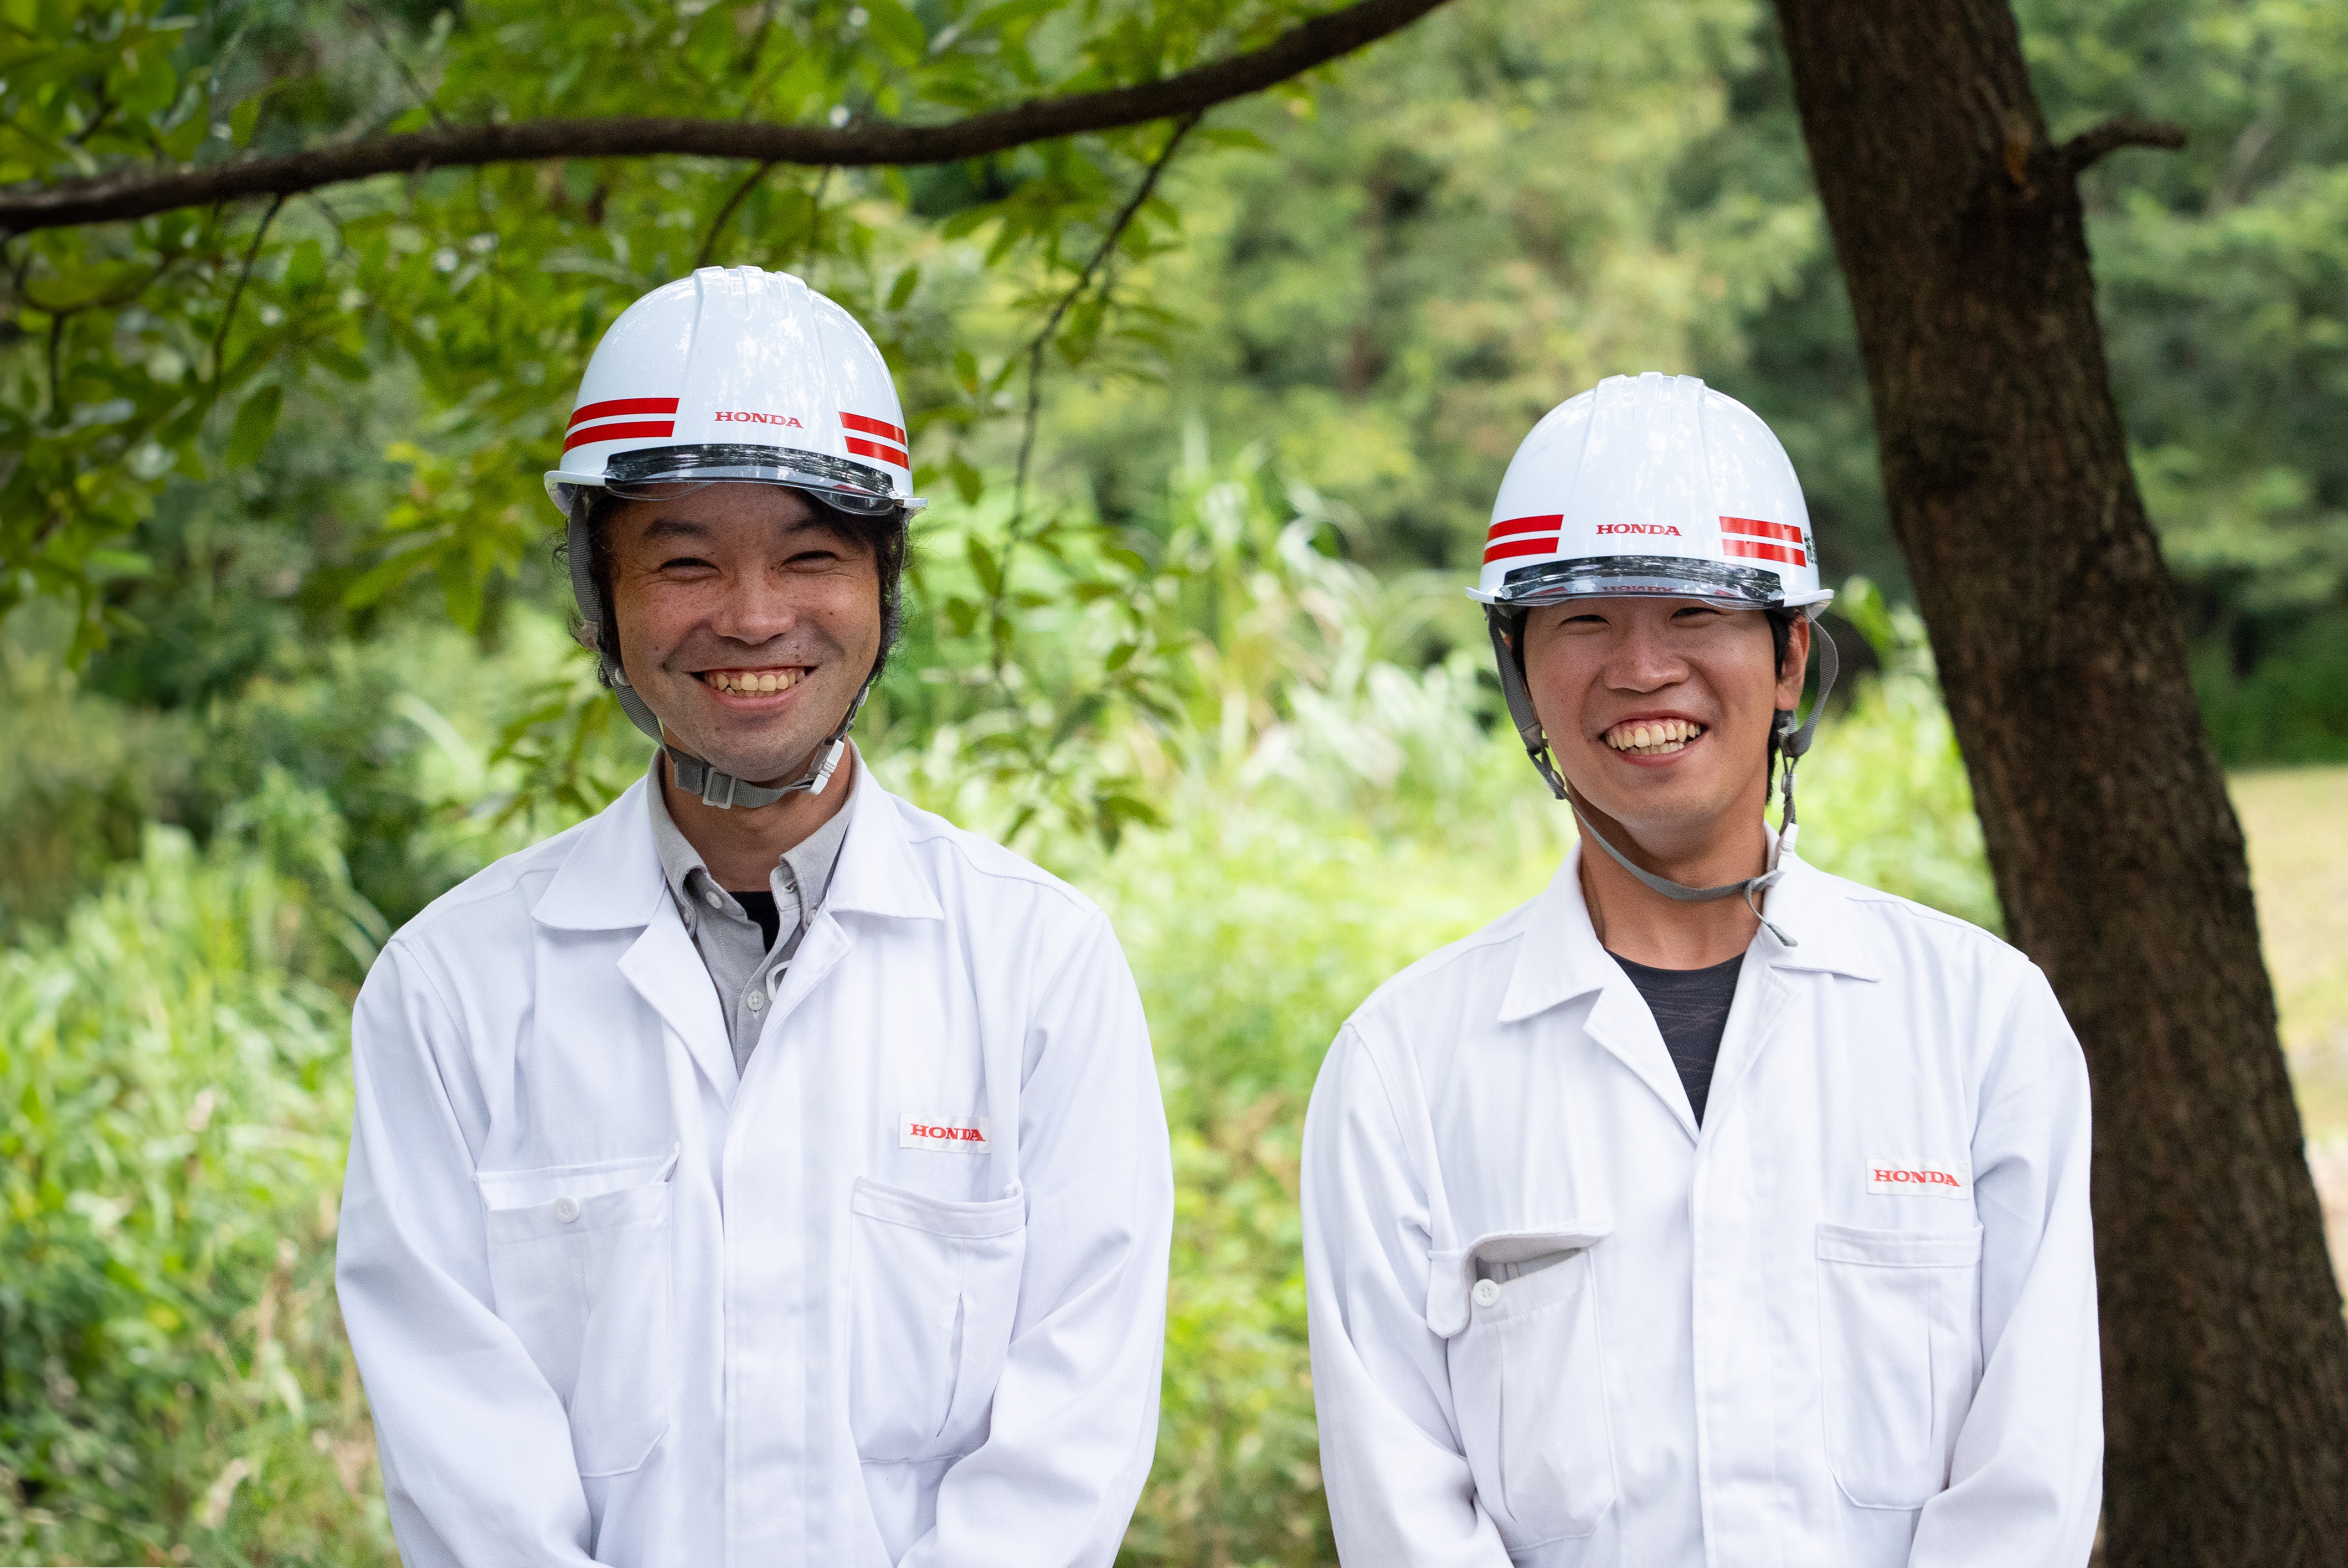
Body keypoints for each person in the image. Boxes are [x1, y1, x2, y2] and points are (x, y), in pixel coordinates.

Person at [334, 266, 1173, 1568]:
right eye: (682, 562)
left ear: (883, 586)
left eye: (808, 556)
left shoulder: (1038, 967)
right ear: (599, 598)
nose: (752, 617)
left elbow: (1070, 1434)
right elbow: (468, 1465)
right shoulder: (451, 987)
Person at [1300, 373, 2100, 1567]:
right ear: (1519, 674)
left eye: (1694, 616)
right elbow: (1401, 1507)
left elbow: (2024, 1483)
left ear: (1786, 659)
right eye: (1581, 621)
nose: (1640, 670)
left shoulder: (1978, 1022)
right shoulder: (1401, 1069)